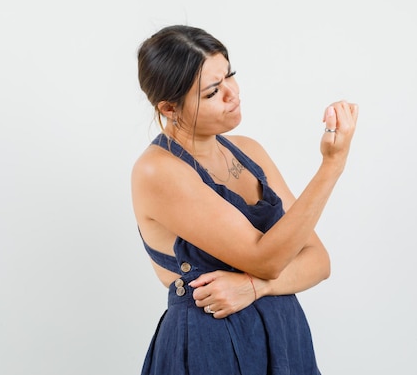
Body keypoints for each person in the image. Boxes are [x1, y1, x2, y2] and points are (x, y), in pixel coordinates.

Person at [132, 25, 358, 375]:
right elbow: (267, 260)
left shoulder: (249, 152)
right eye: (211, 92)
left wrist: (253, 288)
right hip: (212, 346)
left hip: (284, 334)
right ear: (169, 107)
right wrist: (331, 166)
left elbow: (318, 260)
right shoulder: (159, 171)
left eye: (230, 75)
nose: (232, 94)